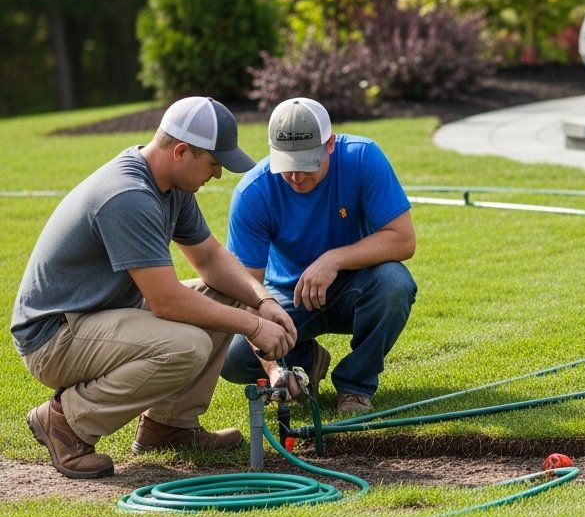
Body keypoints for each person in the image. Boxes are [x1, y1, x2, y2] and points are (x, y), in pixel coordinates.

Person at [12, 97, 297, 479]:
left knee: (226, 292)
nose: (217, 175)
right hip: (53, 338)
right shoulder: (128, 195)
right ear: (181, 152)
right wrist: (254, 327)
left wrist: (261, 302)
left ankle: (170, 426)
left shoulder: (170, 185)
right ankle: (65, 422)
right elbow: (166, 301)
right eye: (214, 163)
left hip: (95, 319)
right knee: (186, 346)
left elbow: (211, 259)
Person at [220, 97, 416, 415]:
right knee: (233, 357)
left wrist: (333, 260)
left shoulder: (364, 157)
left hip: (357, 285)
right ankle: (307, 361)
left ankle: (355, 387)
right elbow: (247, 291)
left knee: (395, 283)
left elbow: (403, 240)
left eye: (307, 163)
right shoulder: (252, 192)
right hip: (287, 299)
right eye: (287, 165)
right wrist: (272, 369)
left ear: (330, 145)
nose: (297, 176)